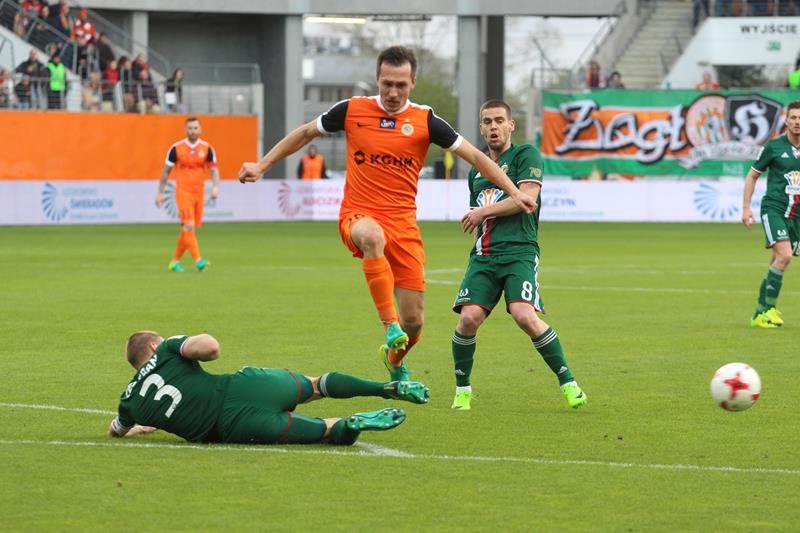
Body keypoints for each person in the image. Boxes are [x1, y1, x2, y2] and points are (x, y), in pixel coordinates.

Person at [239, 46, 536, 381]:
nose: (393, 92)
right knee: (372, 237)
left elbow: (478, 158)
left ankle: (394, 360)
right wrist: (262, 165)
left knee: (415, 323)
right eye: (387, 84)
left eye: (401, 85)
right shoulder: (351, 110)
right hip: (358, 214)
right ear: (377, 79)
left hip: (404, 227)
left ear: (413, 82)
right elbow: (306, 133)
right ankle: (388, 325)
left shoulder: (426, 120)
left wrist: (514, 191)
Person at [449, 99, 587, 411]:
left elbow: (527, 200)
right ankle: (462, 390)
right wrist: (479, 228)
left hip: (519, 252)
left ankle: (569, 383)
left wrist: (482, 212)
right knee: (468, 319)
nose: (493, 127)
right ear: (481, 128)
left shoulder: (526, 155)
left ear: (511, 125)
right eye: (488, 121)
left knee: (524, 315)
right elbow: (479, 216)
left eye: (500, 120)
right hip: (484, 256)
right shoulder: (476, 171)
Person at [108, 331, 429, 445]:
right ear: (153, 346)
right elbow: (211, 347)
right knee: (317, 385)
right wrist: (193, 346)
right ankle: (384, 387)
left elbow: (115, 431)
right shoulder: (167, 349)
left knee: (326, 431)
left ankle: (350, 424)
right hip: (246, 386)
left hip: (232, 426)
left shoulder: (129, 402)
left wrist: (134, 427)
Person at [742, 100, 800, 328]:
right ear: (786, 120)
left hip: (796, 215)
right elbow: (752, 175)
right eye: (793, 117)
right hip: (774, 209)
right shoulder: (774, 147)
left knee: (777, 261)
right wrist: (746, 208)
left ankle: (759, 313)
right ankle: (769, 309)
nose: (797, 122)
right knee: (784, 256)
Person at [156, 117, 220, 273]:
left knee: (188, 229)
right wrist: (160, 192)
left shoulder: (207, 148)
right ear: (185, 130)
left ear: (200, 129)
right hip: (183, 192)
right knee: (189, 225)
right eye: (190, 128)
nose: (193, 131)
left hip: (199, 192)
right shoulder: (176, 148)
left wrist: (215, 187)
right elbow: (166, 172)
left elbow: (214, 170)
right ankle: (198, 261)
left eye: (195, 128)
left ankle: (174, 262)